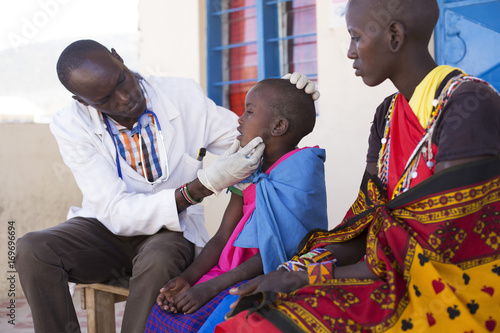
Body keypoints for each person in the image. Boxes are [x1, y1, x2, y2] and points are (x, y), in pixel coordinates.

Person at [216, 0, 500, 332]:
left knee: (263, 326)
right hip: (386, 272)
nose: (350, 52)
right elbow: (366, 223)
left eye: (356, 37)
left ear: (394, 35)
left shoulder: (469, 105)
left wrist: (311, 277)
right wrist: (292, 271)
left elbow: (442, 247)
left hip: (451, 289)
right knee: (255, 307)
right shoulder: (388, 114)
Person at [14, 40, 315, 333]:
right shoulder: (70, 124)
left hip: (169, 234)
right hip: (106, 231)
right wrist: (200, 187)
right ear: (83, 102)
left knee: (159, 256)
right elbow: (115, 211)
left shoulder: (180, 94)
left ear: (119, 58)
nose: (125, 98)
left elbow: (249, 135)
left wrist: (286, 101)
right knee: (32, 249)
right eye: (106, 99)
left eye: (122, 81)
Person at [145, 78, 328, 332]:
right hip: (226, 271)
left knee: (206, 323)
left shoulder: (301, 172)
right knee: (164, 316)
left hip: (267, 274)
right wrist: (188, 279)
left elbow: (277, 252)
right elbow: (222, 236)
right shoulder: (246, 167)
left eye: (249, 112)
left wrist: (210, 288)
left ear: (278, 126)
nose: (239, 120)